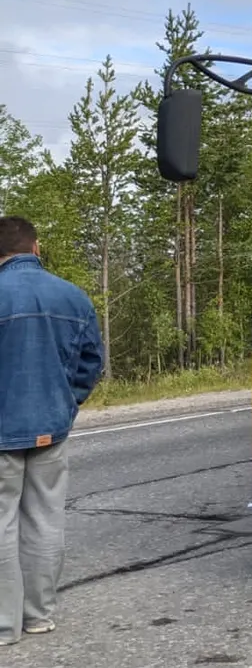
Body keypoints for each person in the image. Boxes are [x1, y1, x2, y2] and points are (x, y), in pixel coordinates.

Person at [0, 216, 104, 645]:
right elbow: (91, 363)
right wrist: (65, 404)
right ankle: (38, 615)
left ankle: (4, 626)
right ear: (36, 247)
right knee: (45, 519)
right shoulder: (73, 297)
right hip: (51, 428)